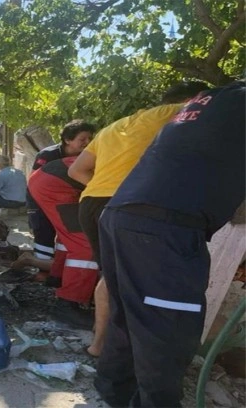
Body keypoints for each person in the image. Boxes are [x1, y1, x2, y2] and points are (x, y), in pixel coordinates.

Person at [93, 80, 244, 408]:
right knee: (168, 332)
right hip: (163, 227)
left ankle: (113, 395)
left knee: (128, 320)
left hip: (123, 214)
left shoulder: (216, 98)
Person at [68, 81, 210, 357]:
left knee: (111, 276)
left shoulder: (115, 127)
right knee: (138, 278)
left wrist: (110, 191)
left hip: (93, 203)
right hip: (130, 205)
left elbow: (76, 170)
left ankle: (99, 346)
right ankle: (135, 349)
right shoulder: (182, 111)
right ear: (195, 99)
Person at [28, 156, 97, 328]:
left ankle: (57, 277)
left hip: (47, 180)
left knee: (69, 237)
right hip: (57, 185)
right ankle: (68, 303)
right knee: (86, 246)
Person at [26, 120, 95, 262]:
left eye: (90, 138)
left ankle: (57, 269)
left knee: (68, 235)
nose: (87, 142)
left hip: (68, 201)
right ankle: (41, 271)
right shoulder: (47, 155)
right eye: (82, 139)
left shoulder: (87, 156)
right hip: (40, 201)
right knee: (44, 234)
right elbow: (34, 182)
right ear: (68, 139)